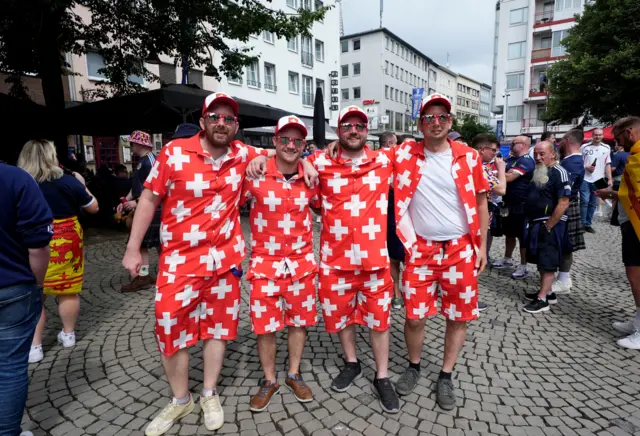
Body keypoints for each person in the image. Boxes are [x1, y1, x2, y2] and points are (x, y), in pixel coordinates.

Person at [122, 92, 313, 435]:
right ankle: (181, 400)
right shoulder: (174, 153)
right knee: (170, 326)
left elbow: (285, 151)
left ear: (236, 126)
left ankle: (209, 392)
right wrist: (134, 248)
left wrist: (309, 161)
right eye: (216, 117)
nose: (222, 124)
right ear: (203, 121)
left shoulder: (243, 154)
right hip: (180, 260)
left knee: (218, 329)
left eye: (228, 119)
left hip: (224, 260)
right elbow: (149, 197)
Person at [293, 106, 400, 413]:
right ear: (338, 130)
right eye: (347, 126)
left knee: (379, 321)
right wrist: (301, 160)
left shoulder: (385, 160)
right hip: (334, 259)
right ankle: (352, 362)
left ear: (367, 130)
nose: (354, 130)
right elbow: (283, 158)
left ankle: (382, 376)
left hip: (375, 259)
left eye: (360, 125)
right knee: (342, 316)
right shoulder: (319, 162)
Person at [392, 94, 489, 410]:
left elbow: (480, 202)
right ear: (420, 123)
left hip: (460, 249)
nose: (436, 122)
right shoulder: (405, 154)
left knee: (458, 316)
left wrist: (482, 246)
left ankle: (446, 374)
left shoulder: (469, 157)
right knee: (414, 315)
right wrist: (335, 147)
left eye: (442, 117)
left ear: (450, 121)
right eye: (429, 117)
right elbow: (365, 155)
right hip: (421, 250)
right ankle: (414, 365)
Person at [241, 115, 320, 412]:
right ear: (274, 141)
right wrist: (261, 156)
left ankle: (293, 373)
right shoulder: (255, 174)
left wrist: (309, 163)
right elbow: (235, 148)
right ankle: (269, 379)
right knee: (265, 326)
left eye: (297, 140)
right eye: (284, 139)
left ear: (304, 144)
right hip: (265, 264)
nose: (291, 145)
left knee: (299, 322)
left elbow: (337, 153)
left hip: (300, 263)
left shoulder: (311, 178)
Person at [17, 140, 99, 364]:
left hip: (32, 238)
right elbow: (94, 207)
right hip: (67, 238)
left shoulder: (20, 181)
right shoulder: (67, 181)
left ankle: (35, 346)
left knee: (36, 293)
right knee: (68, 288)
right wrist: (82, 185)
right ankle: (69, 334)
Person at [0, 160, 53, 436]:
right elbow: (39, 244)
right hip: (12, 286)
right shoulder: (15, 178)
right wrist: (38, 283)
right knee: (9, 368)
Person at [596, 116, 640, 349]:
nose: (618, 143)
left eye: (619, 136)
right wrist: (612, 194)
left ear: (630, 132)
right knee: (633, 275)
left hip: (636, 225)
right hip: (630, 222)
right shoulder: (635, 156)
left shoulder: (639, 156)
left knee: (637, 276)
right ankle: (637, 321)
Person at [523, 141, 571, 313]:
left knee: (548, 260)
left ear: (553, 154)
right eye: (535, 153)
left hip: (551, 223)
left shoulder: (559, 172)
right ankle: (548, 292)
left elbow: (564, 202)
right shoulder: (538, 171)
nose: (538, 157)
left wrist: (550, 224)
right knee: (541, 258)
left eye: (542, 153)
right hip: (537, 222)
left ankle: (542, 300)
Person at [119, 131, 162, 292]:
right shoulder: (141, 161)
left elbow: (156, 188)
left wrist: (136, 202)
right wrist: (127, 199)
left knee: (160, 245)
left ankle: (167, 273)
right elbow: (138, 185)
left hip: (152, 208)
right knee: (144, 245)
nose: (131, 146)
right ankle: (143, 277)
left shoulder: (151, 161)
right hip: (143, 206)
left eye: (132, 143)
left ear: (140, 144)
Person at [492, 136, 535, 279]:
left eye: (513, 143)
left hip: (522, 204)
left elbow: (509, 178)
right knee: (509, 233)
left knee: (522, 236)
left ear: (522, 145)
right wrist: (498, 172)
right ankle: (507, 258)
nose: (510, 145)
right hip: (508, 202)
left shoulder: (526, 161)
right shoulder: (511, 160)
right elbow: (502, 174)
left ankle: (523, 265)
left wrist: (495, 172)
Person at [472, 134, 506, 312]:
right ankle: (470, 299)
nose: (495, 154)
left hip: (474, 216)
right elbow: (501, 189)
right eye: (492, 150)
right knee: (477, 257)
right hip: (479, 219)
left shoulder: (468, 165)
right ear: (481, 149)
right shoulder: (479, 167)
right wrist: (501, 169)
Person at [553, 130, 586, 294]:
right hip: (566, 204)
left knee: (565, 243)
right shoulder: (570, 161)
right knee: (563, 242)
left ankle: (563, 280)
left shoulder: (572, 163)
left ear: (567, 140)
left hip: (565, 205)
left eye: (560, 140)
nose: (558, 144)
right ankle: (562, 278)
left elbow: (565, 192)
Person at [379, 131, 404, 310]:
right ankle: (396, 291)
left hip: (408, 215)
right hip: (391, 214)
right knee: (394, 258)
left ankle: (406, 291)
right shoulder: (379, 159)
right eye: (396, 144)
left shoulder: (405, 162)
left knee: (408, 259)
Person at [580, 128, 612, 233]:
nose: (597, 137)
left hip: (598, 180)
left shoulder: (607, 148)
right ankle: (582, 223)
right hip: (585, 178)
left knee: (593, 203)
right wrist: (586, 167)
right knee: (584, 201)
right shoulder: (584, 147)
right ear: (592, 136)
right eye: (596, 135)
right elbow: (578, 162)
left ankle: (588, 224)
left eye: (600, 135)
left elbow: (608, 164)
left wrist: (610, 178)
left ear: (602, 136)